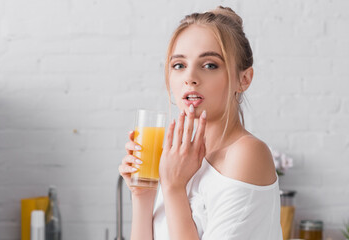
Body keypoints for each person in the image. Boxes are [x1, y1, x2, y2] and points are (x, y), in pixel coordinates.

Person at [118, 6, 282, 240]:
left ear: (244, 79)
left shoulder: (246, 154)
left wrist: (174, 188)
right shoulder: (177, 159)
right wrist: (143, 194)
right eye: (179, 65)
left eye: (209, 65)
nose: (190, 77)